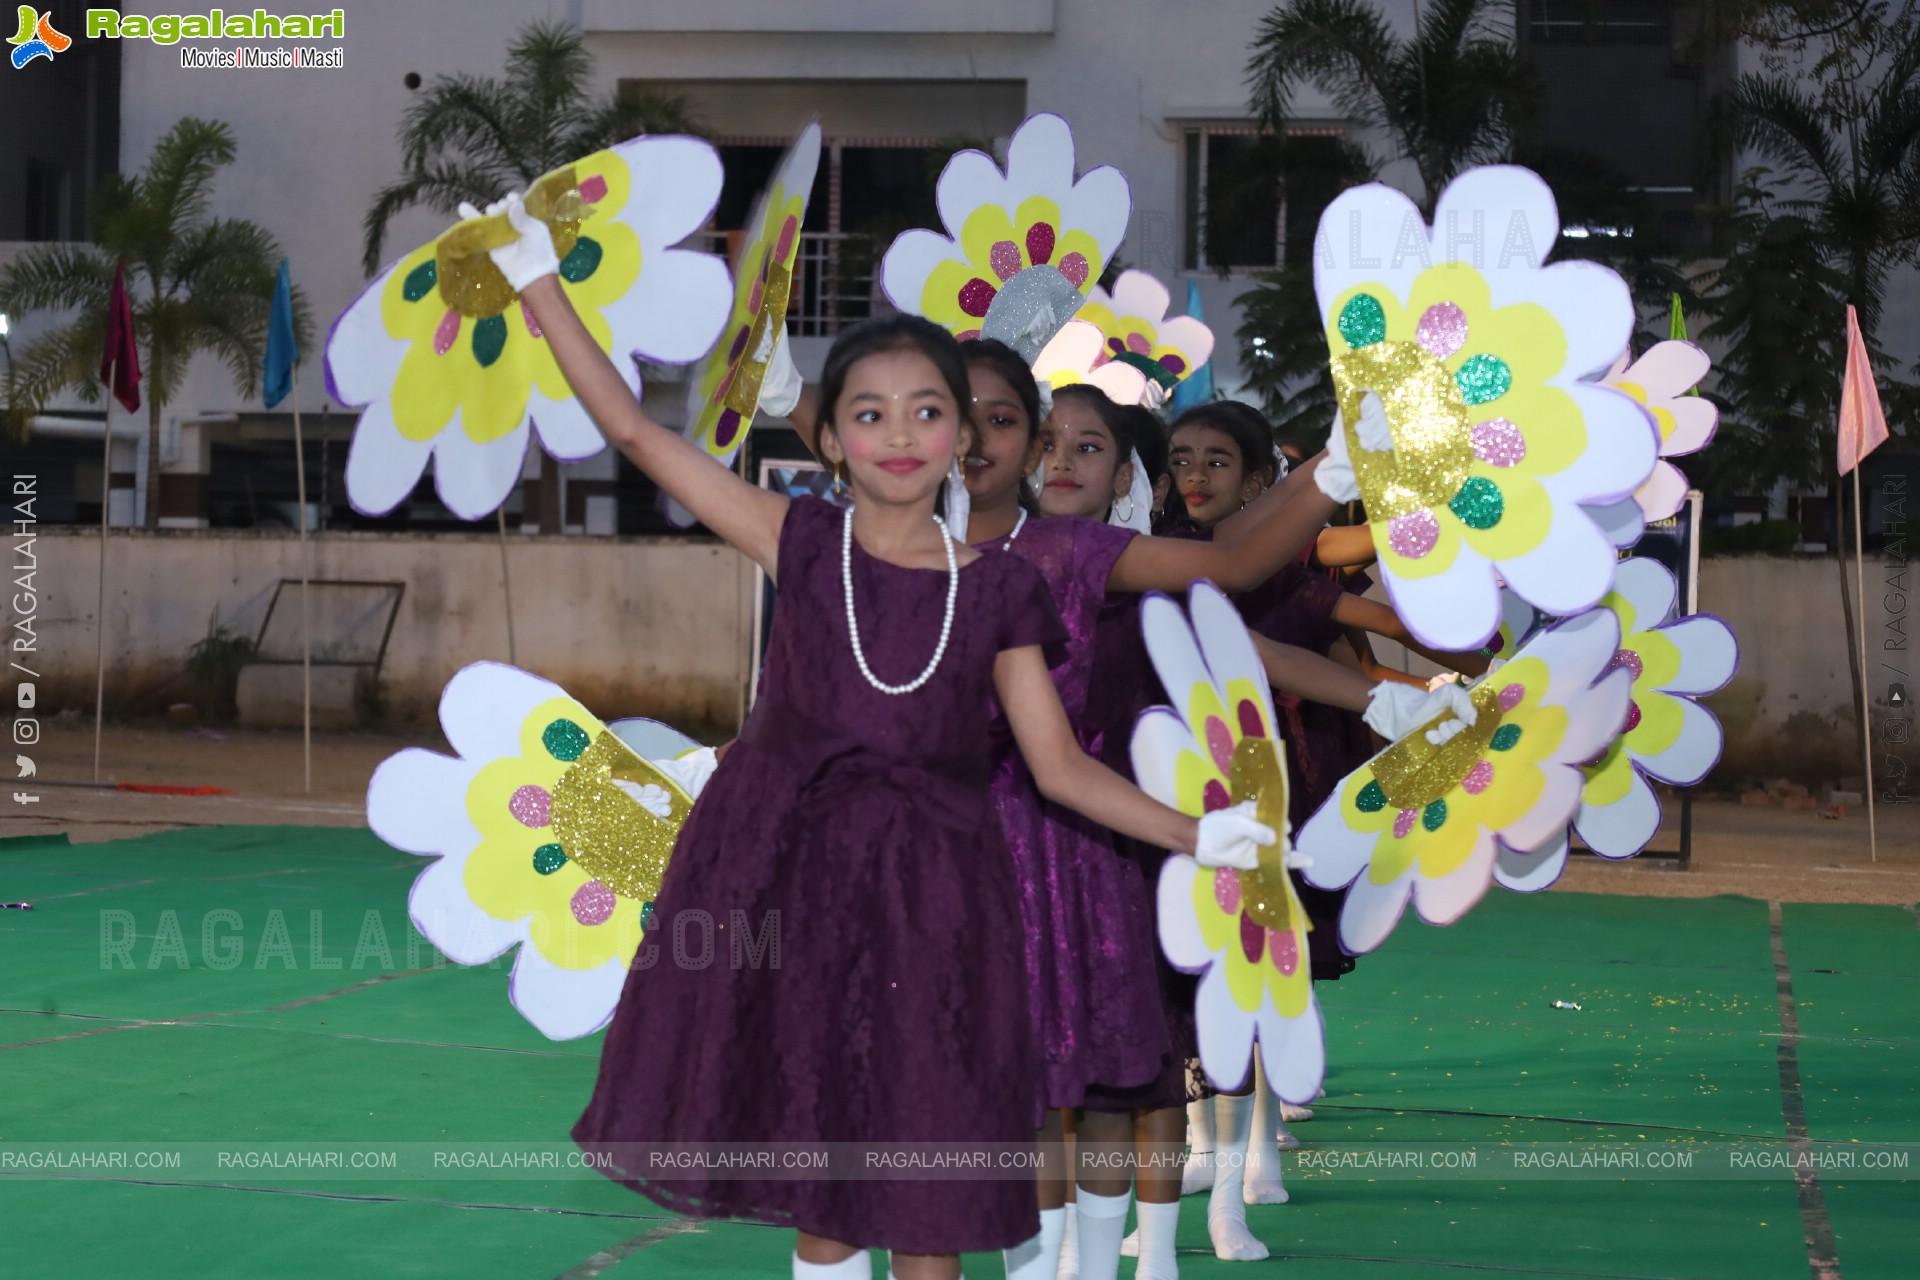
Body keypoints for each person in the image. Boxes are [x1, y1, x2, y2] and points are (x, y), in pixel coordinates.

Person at [471, 191, 1282, 1280]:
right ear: (832, 437)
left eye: (926, 411)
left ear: (967, 433)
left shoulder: (998, 589)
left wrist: (1200, 833)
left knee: (926, 1187)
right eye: (868, 413)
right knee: (830, 1180)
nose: (900, 435)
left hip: (937, 907)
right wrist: (535, 277)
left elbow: (1060, 768)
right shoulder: (798, 540)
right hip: (792, 886)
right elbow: (633, 427)